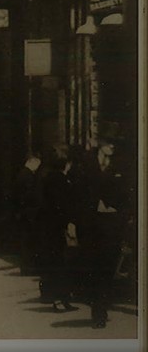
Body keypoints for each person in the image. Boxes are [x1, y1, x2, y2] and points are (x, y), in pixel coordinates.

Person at [78, 139, 130, 329]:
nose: (112, 148)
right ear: (101, 145)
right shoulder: (87, 163)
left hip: (112, 227)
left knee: (107, 269)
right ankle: (97, 311)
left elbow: (126, 195)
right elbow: (80, 194)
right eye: (109, 144)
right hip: (91, 227)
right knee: (94, 269)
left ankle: (101, 309)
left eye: (114, 145)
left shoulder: (120, 166)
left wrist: (119, 215)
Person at [35, 147, 78, 312]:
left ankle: (63, 299)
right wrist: (68, 223)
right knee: (58, 264)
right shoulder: (58, 180)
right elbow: (60, 205)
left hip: (51, 228)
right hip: (56, 228)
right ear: (66, 164)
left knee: (59, 264)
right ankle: (59, 299)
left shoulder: (50, 178)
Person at [11, 154, 43, 275]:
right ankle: (28, 267)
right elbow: (30, 196)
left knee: (25, 241)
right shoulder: (28, 176)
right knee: (28, 241)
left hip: (23, 213)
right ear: (32, 163)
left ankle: (26, 266)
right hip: (29, 214)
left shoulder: (21, 174)